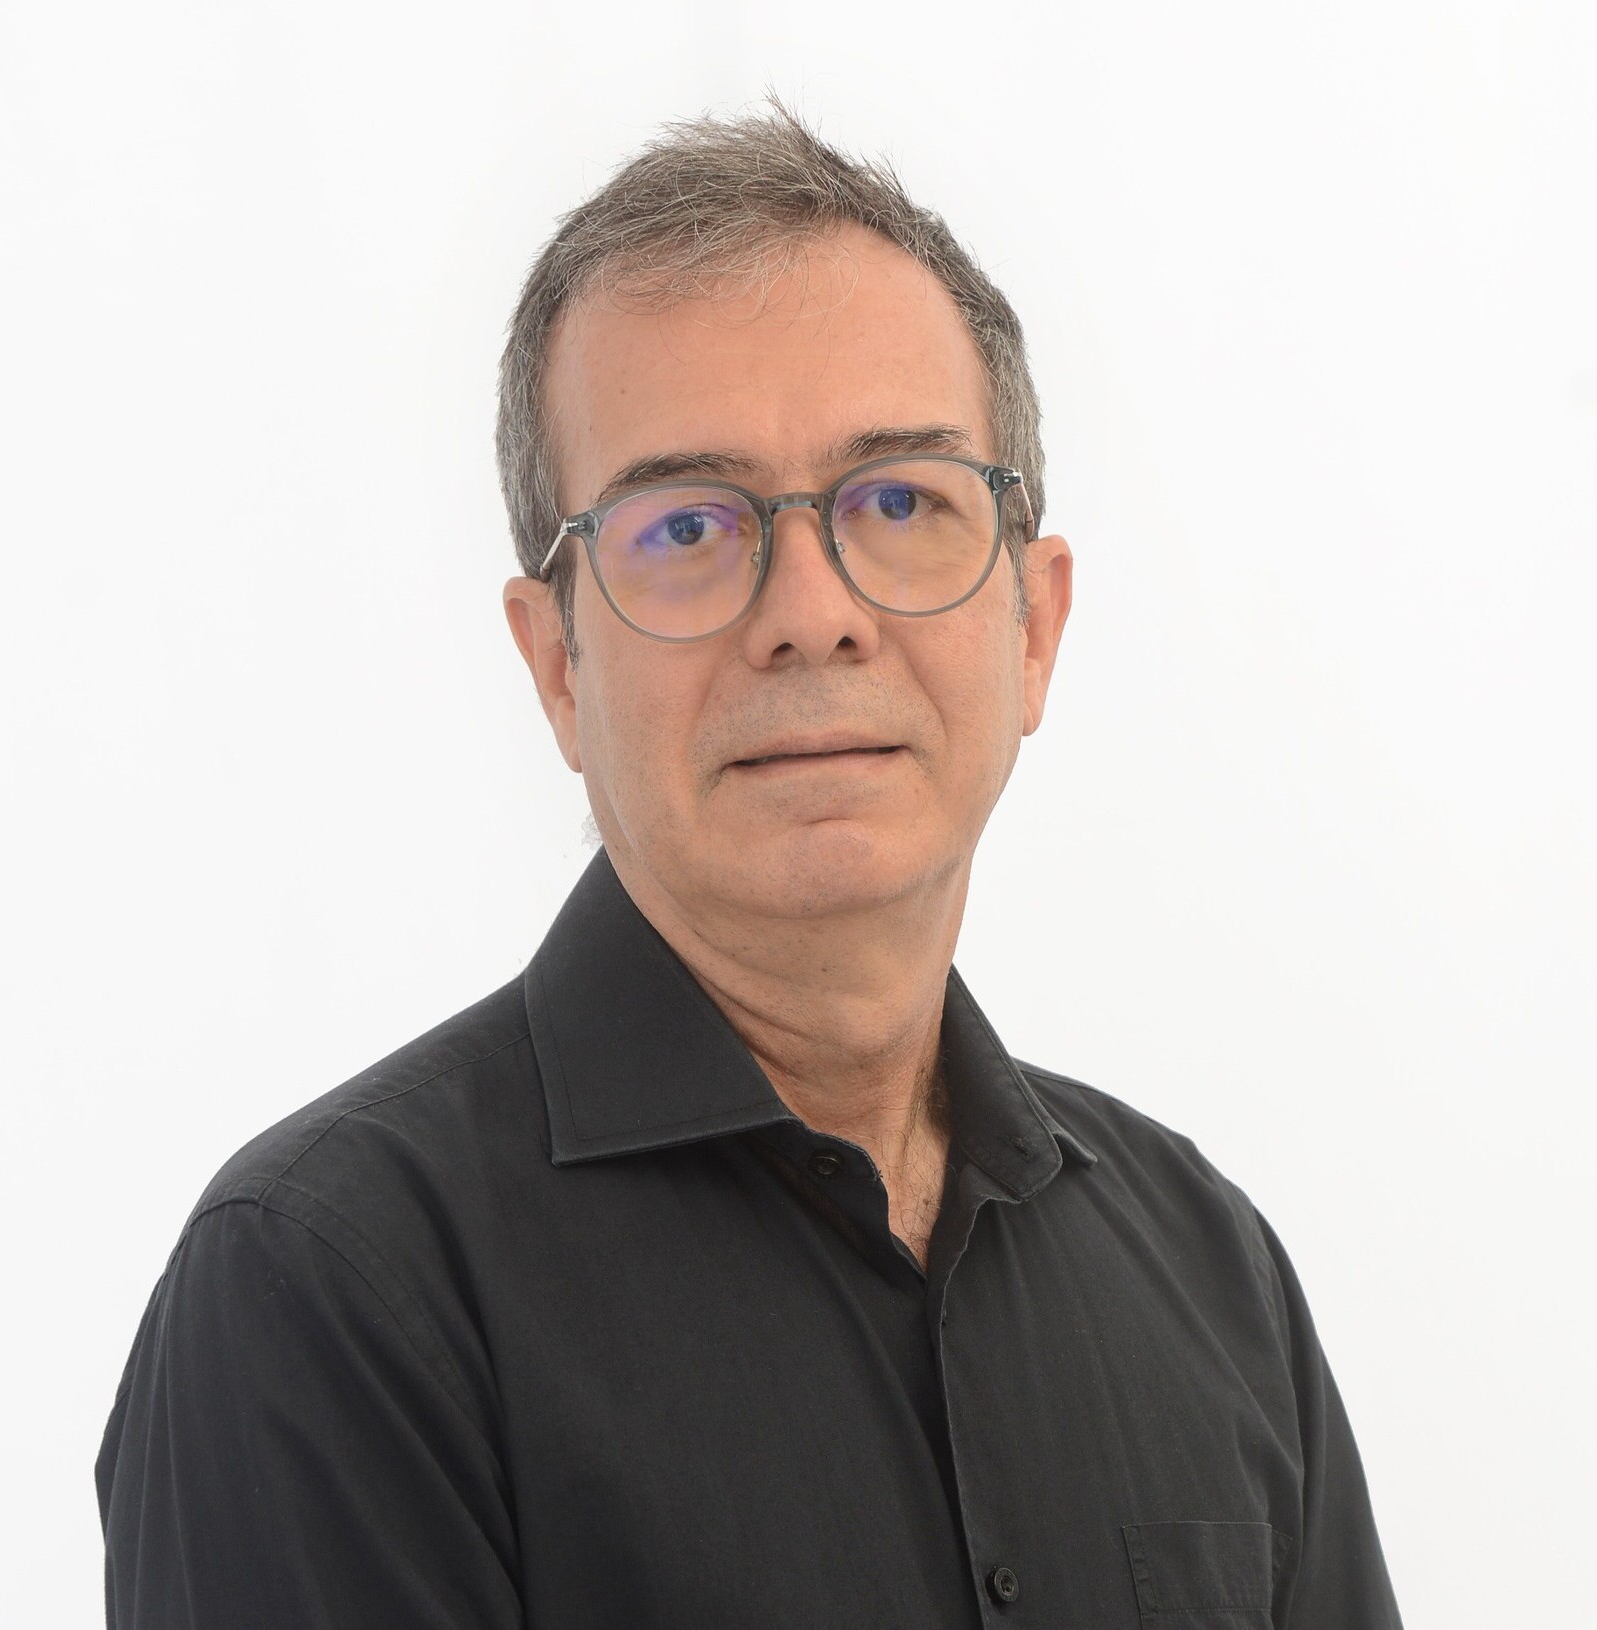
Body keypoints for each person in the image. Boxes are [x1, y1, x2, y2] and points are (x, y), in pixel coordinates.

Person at [97, 105, 1403, 1628]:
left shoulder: (1211, 1273)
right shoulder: (330, 1296)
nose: (812, 614)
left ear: (1034, 625)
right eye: (686, 528)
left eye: (901, 500)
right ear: (557, 665)